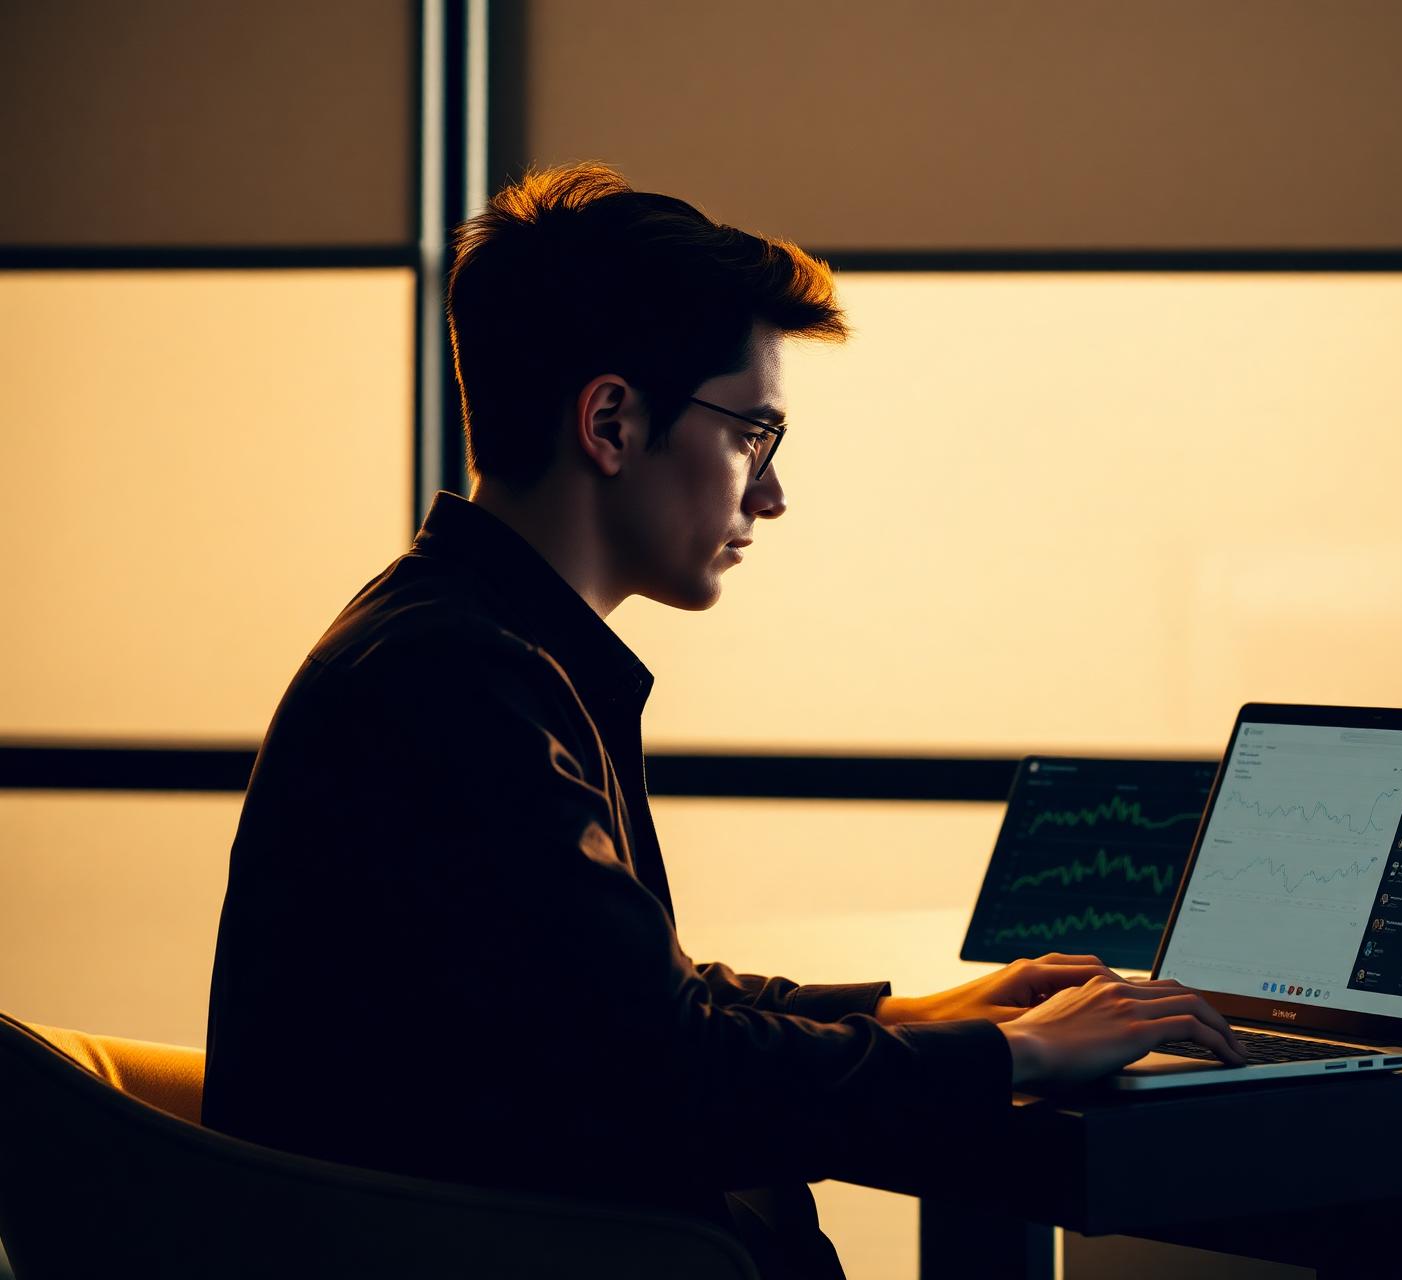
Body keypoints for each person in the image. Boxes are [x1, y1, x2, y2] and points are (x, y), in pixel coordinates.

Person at [202, 162, 1244, 1278]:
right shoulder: (457, 681)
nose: (772, 495)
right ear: (611, 421)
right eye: (755, 434)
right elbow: (671, 1072)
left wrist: (927, 1014)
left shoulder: (462, 641)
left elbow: (626, 1003)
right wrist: (1016, 1053)